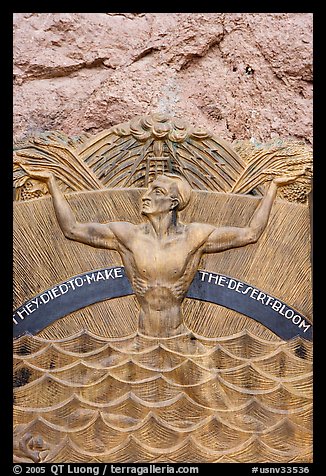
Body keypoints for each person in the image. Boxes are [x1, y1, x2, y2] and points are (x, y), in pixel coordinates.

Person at [22, 167, 303, 337]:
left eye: (156, 191)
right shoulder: (128, 235)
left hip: (180, 335)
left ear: (173, 202)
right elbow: (72, 230)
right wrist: (52, 184)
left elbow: (250, 234)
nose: (146, 195)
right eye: (147, 190)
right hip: (142, 335)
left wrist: (272, 190)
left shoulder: (195, 236)